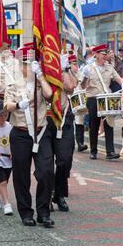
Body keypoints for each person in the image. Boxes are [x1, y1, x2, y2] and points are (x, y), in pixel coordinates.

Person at [5, 45, 55, 228]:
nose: (28, 67)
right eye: (25, 63)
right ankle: (26, 212)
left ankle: (44, 212)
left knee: (46, 172)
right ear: (20, 64)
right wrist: (19, 104)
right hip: (21, 133)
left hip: (41, 132)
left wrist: (40, 75)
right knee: (21, 175)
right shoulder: (13, 82)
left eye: (31, 63)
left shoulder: (41, 82)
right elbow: (7, 105)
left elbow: (49, 95)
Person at [82, 44, 123, 160]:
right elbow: (83, 86)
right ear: (96, 54)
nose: (105, 56)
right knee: (94, 124)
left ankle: (110, 151)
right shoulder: (89, 68)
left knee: (109, 124)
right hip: (93, 98)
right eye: (102, 54)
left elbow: (118, 78)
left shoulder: (109, 67)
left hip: (106, 98)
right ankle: (93, 151)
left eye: (106, 54)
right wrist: (85, 77)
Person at [47, 54, 78, 212]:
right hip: (46, 118)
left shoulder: (65, 68)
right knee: (45, 163)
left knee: (64, 159)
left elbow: (71, 87)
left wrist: (64, 69)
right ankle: (48, 194)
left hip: (64, 117)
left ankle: (58, 193)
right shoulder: (42, 64)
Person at [70, 55, 88, 152]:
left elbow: (83, 85)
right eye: (74, 64)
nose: (76, 66)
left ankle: (80, 143)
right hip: (68, 99)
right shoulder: (66, 74)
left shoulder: (80, 73)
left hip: (78, 99)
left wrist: (85, 77)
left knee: (79, 120)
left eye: (77, 64)